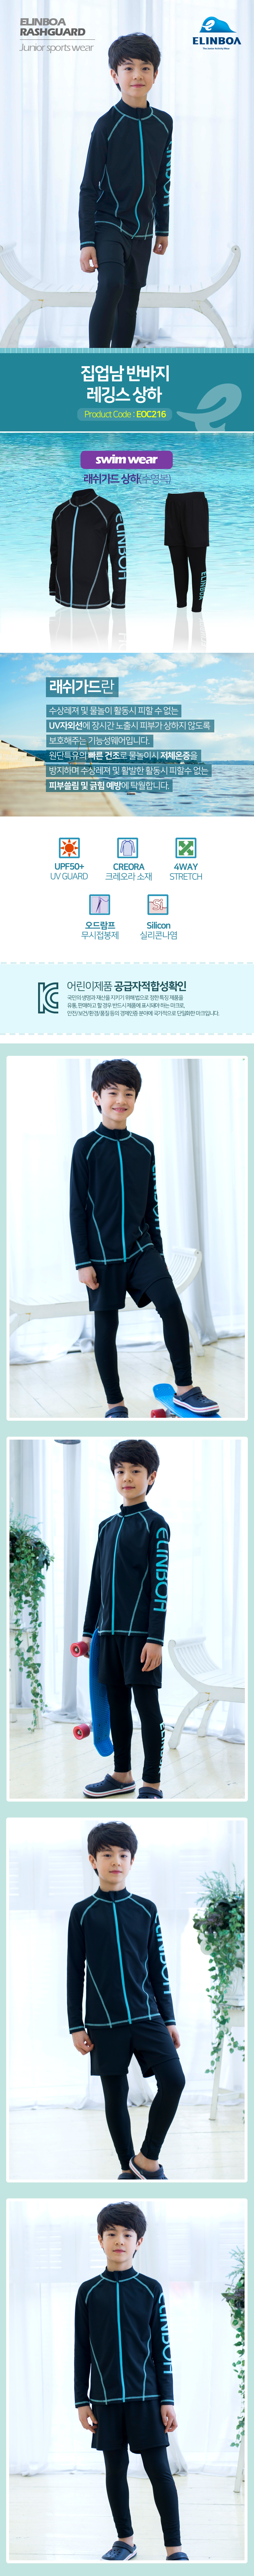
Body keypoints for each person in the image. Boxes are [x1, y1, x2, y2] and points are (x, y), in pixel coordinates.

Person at [69, 1058, 219, 1419]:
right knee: (107, 1329)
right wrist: (83, 1262)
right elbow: (77, 1209)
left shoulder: (145, 1147)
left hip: (142, 1250)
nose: (121, 1100)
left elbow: (152, 1206)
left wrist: (159, 1256)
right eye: (113, 1093)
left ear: (136, 1099)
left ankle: (185, 1390)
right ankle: (115, 1405)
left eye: (129, 1093)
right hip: (102, 1257)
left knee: (171, 1305)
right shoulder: (86, 1147)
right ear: (97, 1098)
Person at [67, 1819, 185, 2178]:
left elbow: (159, 1969)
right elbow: (75, 1972)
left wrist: (169, 2019)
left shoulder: (147, 1909)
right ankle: (127, 2170)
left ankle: (147, 2159)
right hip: (104, 2023)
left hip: (147, 2016)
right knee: (115, 2096)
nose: (116, 1861)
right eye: (107, 1855)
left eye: (123, 1854)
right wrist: (76, 2026)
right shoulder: (82, 1913)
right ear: (93, 1861)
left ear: (132, 1861)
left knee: (175, 2081)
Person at [74, 2202, 189, 2561]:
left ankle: (175, 2549)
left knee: (160, 2473)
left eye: (127, 2235)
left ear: (139, 2242)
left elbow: (163, 2350)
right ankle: (125, 2541)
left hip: (147, 2399)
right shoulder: (89, 2292)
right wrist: (81, 2400)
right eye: (112, 2234)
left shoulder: (151, 2289)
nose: (119, 2241)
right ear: (100, 2240)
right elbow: (81, 2349)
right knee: (115, 2472)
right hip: (105, 2401)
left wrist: (167, 2399)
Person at [72, 1436, 170, 1800]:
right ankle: (122, 1774)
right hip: (108, 1636)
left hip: (141, 1637)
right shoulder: (106, 1526)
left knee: (148, 1709)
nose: (127, 1477)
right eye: (120, 1471)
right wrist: (88, 1634)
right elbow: (97, 1584)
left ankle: (152, 1784)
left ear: (151, 1477)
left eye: (136, 1471)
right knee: (117, 1707)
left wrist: (156, 1639)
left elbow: (161, 1586)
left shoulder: (156, 1525)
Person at [78, 35, 173, 349]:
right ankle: (96, 362)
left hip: (144, 230)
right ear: (115, 76)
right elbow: (89, 187)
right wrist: (87, 242)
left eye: (145, 68)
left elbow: (163, 182)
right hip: (109, 224)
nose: (137, 75)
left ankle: (120, 363)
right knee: (111, 286)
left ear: (155, 75)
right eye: (128, 68)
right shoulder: (106, 125)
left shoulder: (164, 124)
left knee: (130, 301)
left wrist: (163, 229)